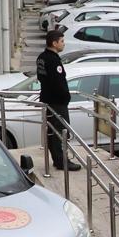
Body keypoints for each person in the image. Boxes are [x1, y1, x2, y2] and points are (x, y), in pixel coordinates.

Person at [37, 30, 81, 171]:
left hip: (47, 100)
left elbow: (41, 78)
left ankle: (58, 160)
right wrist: (65, 97)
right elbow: (58, 83)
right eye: (62, 41)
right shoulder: (53, 60)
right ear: (54, 43)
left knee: (52, 132)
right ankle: (62, 161)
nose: (63, 44)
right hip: (56, 102)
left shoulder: (41, 57)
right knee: (59, 132)